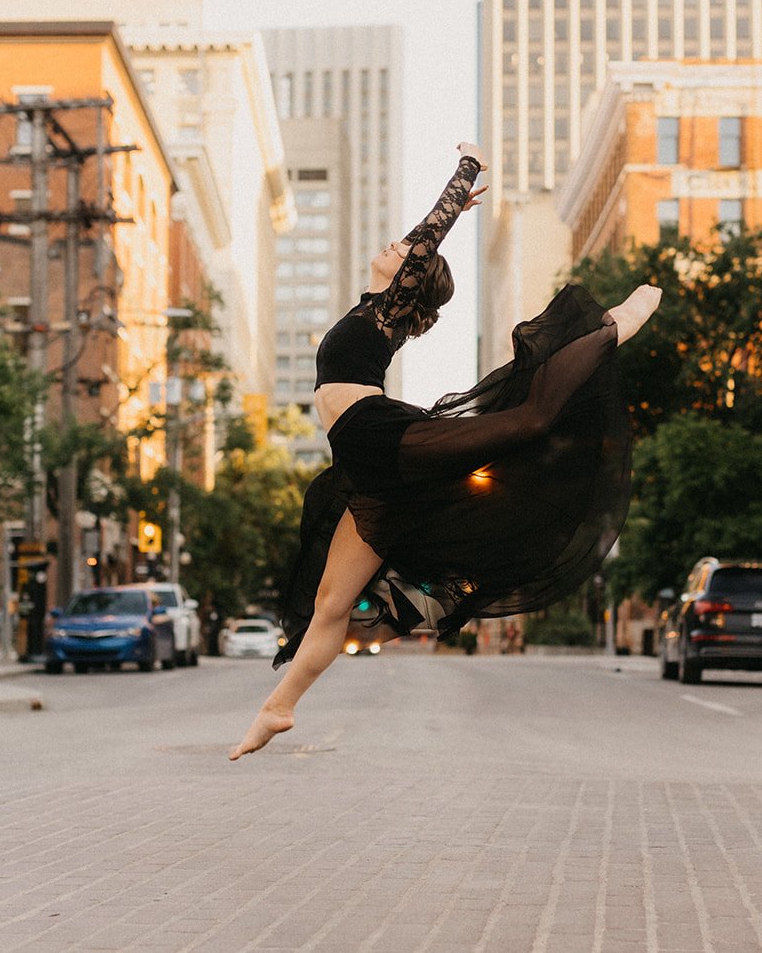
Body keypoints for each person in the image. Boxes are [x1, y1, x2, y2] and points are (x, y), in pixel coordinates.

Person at [230, 142, 660, 760]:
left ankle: (616, 322)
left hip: (382, 435)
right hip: (362, 467)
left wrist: (466, 173)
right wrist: (451, 207)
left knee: (530, 417)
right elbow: (420, 241)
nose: (394, 247)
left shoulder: (389, 310)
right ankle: (278, 708)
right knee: (331, 603)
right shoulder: (374, 307)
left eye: (405, 253)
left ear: (411, 279)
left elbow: (426, 237)